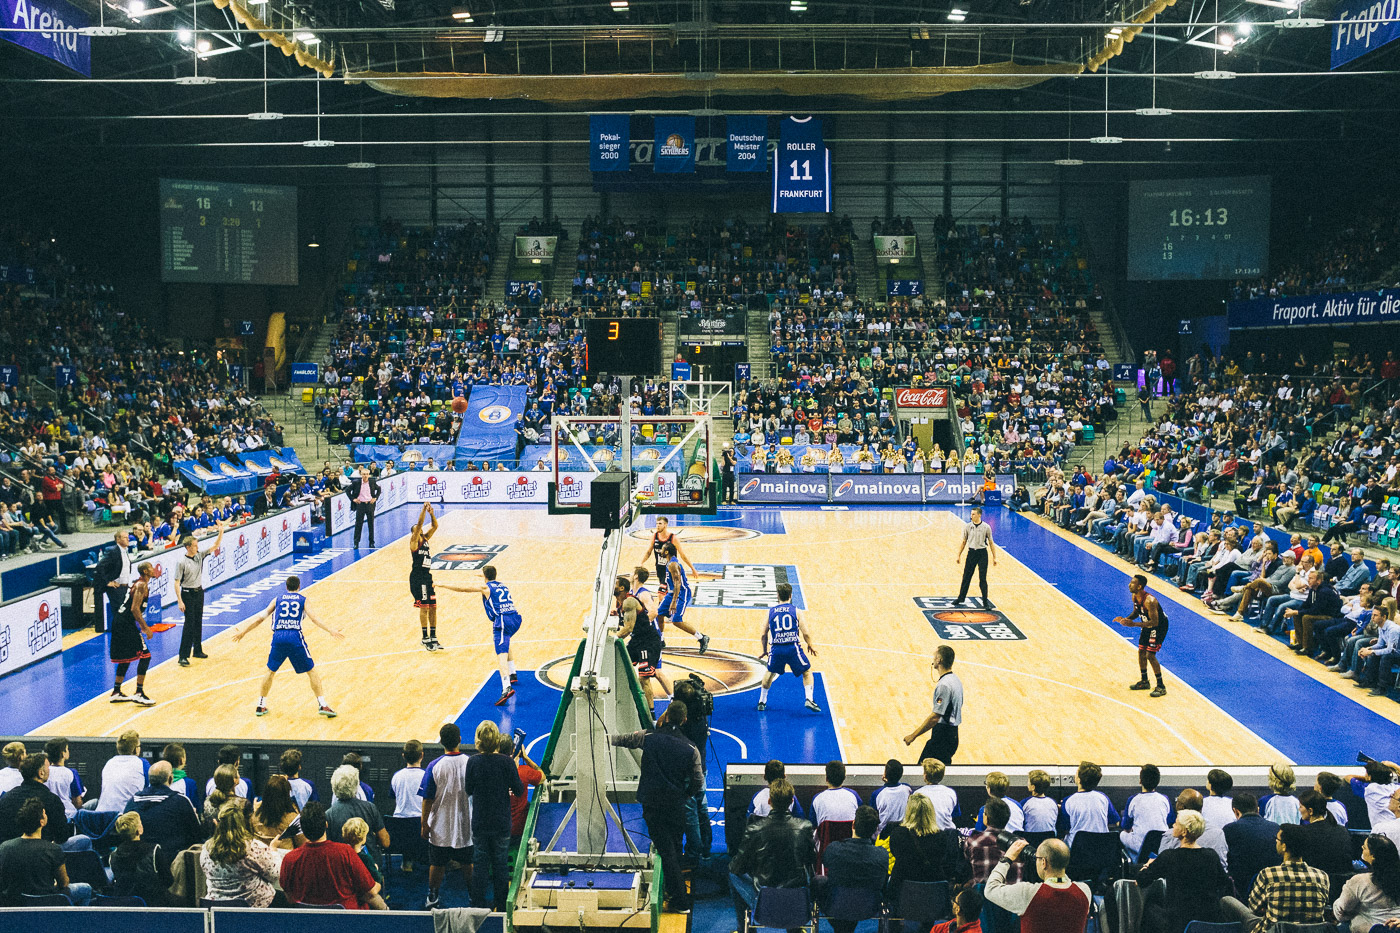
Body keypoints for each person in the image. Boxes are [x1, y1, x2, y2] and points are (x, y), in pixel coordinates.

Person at [609, 701, 704, 912]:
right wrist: (686, 794)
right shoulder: (691, 749)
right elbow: (698, 781)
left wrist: (603, 738)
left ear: (666, 716)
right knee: (675, 849)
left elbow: (623, 740)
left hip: (653, 804)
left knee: (667, 852)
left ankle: (680, 901)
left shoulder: (648, 737)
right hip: (676, 805)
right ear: (684, 720)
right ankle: (674, 890)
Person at [232, 575, 343, 718]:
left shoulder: (277, 599)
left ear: (286, 587)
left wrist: (243, 632)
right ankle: (323, 704)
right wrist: (330, 630)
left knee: (270, 671)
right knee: (311, 671)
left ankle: (260, 705)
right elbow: (314, 618)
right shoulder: (303, 600)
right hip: (294, 636)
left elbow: (260, 619)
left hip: (278, 636)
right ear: (299, 587)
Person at [729, 779, 815, 933]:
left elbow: (737, 867)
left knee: (732, 874)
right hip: (797, 900)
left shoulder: (754, 829)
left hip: (764, 902)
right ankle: (795, 929)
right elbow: (811, 860)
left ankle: (743, 929)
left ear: (769, 801)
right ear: (791, 801)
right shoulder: (805, 827)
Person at [1219, 823, 1329, 931]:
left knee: (1226, 900)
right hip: (1312, 930)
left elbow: (1253, 908)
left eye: (1277, 839)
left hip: (1272, 930)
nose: (1276, 841)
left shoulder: (1268, 874)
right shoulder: (1322, 877)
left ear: (1284, 846)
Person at [1135, 810, 1231, 933]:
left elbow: (1141, 880)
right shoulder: (1211, 855)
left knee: (1148, 908)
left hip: (1178, 923)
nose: (1173, 825)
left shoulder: (1169, 856)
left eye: (1176, 823)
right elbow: (1224, 882)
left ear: (1184, 832)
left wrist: (1147, 865)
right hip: (1209, 920)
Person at [463, 721, 525, 911]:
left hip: (481, 820)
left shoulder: (473, 761)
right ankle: (502, 905)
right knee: (500, 864)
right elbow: (519, 790)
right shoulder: (506, 762)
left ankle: (477, 904)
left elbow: (468, 789)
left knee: (480, 865)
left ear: (478, 740)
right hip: (501, 821)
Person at [280, 801, 386, 909]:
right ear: (326, 824)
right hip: (348, 917)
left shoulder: (289, 859)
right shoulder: (345, 852)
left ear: (302, 829)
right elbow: (371, 891)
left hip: (307, 918)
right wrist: (378, 879)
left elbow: (290, 898)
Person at [442, 565, 522, 704]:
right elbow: (490, 579)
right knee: (506, 639)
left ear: (485, 576)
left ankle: (506, 687)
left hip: (502, 621)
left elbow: (462, 588)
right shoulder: (502, 585)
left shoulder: (485, 588)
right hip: (515, 619)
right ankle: (512, 673)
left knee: (501, 654)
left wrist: (441, 584)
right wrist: (483, 575)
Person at [419, 722, 473, 910]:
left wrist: (424, 824)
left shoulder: (434, 766)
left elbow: (427, 799)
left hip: (440, 825)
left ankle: (433, 895)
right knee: (468, 862)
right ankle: (473, 894)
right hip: (466, 823)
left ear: (441, 741)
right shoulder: (470, 763)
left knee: (437, 863)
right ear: (460, 739)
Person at [985, 838, 1091, 932]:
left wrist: (1007, 858)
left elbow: (990, 889)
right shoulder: (1085, 891)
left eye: (1037, 858)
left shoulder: (1027, 893)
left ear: (1043, 862)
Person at [0, 799, 92, 905]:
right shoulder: (53, 849)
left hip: (14, 903)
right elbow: (64, 883)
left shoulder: (4, 847)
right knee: (86, 888)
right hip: (47, 903)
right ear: (42, 822)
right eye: (44, 814)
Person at [816, 805, 889, 933]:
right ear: (875, 829)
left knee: (819, 881)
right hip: (868, 908)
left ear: (853, 824)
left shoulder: (834, 849)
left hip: (836, 905)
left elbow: (825, 863)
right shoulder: (882, 855)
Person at [121, 760, 203, 871]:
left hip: (138, 864)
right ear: (170, 779)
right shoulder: (180, 801)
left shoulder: (132, 802)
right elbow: (196, 835)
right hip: (172, 864)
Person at [883, 792, 971, 892]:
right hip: (934, 888)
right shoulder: (942, 836)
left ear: (909, 812)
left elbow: (896, 854)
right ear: (930, 812)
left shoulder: (897, 834)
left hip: (903, 887)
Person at [756, 581, 820, 712]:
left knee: (770, 672)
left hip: (776, 649)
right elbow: (806, 633)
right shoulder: (796, 611)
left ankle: (762, 701)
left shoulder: (771, 612)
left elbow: (763, 634)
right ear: (790, 595)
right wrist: (810, 645)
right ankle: (809, 699)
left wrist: (764, 650)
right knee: (807, 671)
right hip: (792, 649)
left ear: (778, 595)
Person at [174, 521, 226, 666]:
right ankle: (183, 655)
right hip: (187, 594)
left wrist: (221, 531)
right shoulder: (181, 562)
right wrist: (179, 600)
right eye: (195, 545)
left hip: (199, 592)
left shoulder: (199, 556)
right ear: (188, 547)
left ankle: (197, 650)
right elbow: (176, 582)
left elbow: (215, 545)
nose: (197, 547)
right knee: (189, 624)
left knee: (198, 622)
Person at [904, 645, 964, 763]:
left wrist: (913, 735)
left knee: (924, 768)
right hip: (952, 734)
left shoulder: (944, 685)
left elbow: (935, 717)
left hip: (942, 737)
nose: (933, 659)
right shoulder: (955, 680)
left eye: (934, 656)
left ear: (939, 660)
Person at [109, 561, 157, 706]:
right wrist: (145, 627)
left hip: (120, 622)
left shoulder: (139, 583)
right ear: (145, 571)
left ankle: (116, 692)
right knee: (146, 656)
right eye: (151, 567)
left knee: (126, 658)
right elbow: (135, 609)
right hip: (125, 624)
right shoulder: (141, 585)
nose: (153, 569)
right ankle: (139, 693)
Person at [616, 575, 670, 704]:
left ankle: (650, 712)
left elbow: (628, 628)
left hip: (648, 641)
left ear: (622, 588)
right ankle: (630, 699)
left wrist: (612, 638)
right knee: (620, 666)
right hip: (636, 640)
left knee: (644, 678)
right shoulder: (620, 603)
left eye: (615, 584)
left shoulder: (630, 601)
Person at [1114, 574, 1169, 697]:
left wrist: (1133, 624)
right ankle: (1144, 681)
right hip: (1147, 624)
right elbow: (1137, 611)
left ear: (1139, 586)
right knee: (1141, 652)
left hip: (1158, 627)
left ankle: (1161, 686)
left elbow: (1155, 622)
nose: (1129, 584)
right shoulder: (1135, 596)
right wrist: (1126, 619)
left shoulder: (1150, 601)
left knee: (1150, 655)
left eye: (1132, 583)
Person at [1334, 834, 1400, 933]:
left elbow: (1341, 912)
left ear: (1373, 856)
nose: (1361, 848)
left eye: (1364, 848)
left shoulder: (1360, 881)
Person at [1222, 793, 1283, 901]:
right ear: (1258, 809)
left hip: (1241, 890)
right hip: (1272, 889)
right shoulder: (1275, 827)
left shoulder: (1229, 829)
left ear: (1236, 811)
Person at [654, 541, 711, 655]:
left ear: (667, 552)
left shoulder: (673, 564)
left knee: (676, 620)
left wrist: (674, 601)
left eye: (662, 549)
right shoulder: (670, 562)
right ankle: (661, 640)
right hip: (672, 593)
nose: (660, 551)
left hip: (681, 593)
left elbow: (678, 583)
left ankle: (701, 638)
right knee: (658, 614)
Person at [109, 812, 176, 906]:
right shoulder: (154, 850)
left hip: (124, 904)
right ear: (139, 831)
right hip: (153, 904)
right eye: (140, 823)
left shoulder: (113, 855)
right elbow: (168, 880)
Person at [1156, 789, 1228, 868]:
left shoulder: (1171, 835)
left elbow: (1161, 867)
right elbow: (1222, 866)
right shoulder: (1218, 833)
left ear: (1180, 807)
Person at [327, 765, 389, 852]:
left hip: (342, 859)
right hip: (369, 858)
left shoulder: (329, 814)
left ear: (334, 786)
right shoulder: (370, 808)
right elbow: (385, 842)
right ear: (356, 786)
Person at [1120, 763, 1172, 863]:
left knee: (1122, 834)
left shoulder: (1133, 799)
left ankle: (1132, 862)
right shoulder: (1165, 799)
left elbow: (1126, 827)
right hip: (1161, 845)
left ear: (1140, 781)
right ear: (1158, 782)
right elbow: (1170, 822)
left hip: (1140, 847)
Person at [407, 502, 441, 651]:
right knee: (424, 607)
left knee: (433, 607)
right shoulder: (414, 541)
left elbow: (435, 526)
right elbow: (420, 523)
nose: (419, 528)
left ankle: (433, 636)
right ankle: (424, 637)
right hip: (418, 577)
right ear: (414, 532)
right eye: (417, 528)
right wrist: (423, 510)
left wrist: (432, 513)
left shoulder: (425, 539)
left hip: (427, 577)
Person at [954, 507, 998, 607]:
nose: (971, 516)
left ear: (979, 515)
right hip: (971, 553)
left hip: (982, 554)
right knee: (966, 576)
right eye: (971, 514)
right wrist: (958, 555)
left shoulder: (986, 527)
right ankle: (961, 598)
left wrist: (994, 557)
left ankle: (985, 601)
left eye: (973, 514)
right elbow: (964, 542)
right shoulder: (967, 526)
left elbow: (991, 542)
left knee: (982, 578)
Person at [93, 528, 133, 634]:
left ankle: (122, 631)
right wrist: (108, 582)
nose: (128, 539)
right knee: (119, 611)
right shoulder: (112, 551)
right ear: (118, 539)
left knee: (124, 610)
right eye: (125, 537)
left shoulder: (125, 551)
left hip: (124, 586)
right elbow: (100, 567)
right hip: (116, 587)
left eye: (128, 537)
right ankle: (118, 633)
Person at [251, 775, 304, 850]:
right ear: (286, 795)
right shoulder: (292, 819)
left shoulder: (255, 817)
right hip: (285, 856)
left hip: (261, 856)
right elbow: (302, 845)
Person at [42, 738, 84, 820]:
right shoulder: (71, 773)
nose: (68, 751)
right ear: (63, 754)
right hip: (70, 816)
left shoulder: (43, 772)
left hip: (49, 815)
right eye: (67, 749)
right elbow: (77, 802)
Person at [871, 759, 914, 836]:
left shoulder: (877, 794)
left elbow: (872, 817)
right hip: (904, 834)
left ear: (885, 774)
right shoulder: (907, 789)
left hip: (883, 836)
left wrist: (887, 782)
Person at [349, 467, 379, 549]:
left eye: (367, 474)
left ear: (369, 475)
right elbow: (347, 490)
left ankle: (371, 542)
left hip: (370, 505)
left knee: (371, 524)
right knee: (358, 524)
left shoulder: (372, 482)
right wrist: (353, 499)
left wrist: (375, 498)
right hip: (361, 505)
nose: (365, 476)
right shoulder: (356, 482)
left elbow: (379, 489)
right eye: (364, 474)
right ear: (361, 475)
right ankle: (356, 543)